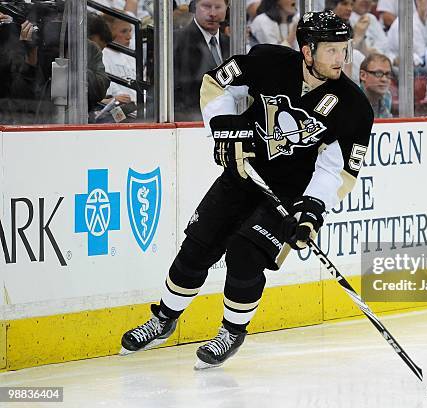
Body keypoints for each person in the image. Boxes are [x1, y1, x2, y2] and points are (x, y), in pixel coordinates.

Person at [120, 10, 374, 369]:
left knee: (245, 253)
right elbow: (216, 82)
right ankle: (163, 318)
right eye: (331, 50)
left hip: (287, 194)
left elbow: (337, 169)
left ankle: (231, 331)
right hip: (243, 173)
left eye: (343, 50)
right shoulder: (269, 61)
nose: (340, 59)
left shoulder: (353, 107)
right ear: (307, 50)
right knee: (198, 247)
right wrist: (225, 129)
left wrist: (312, 208)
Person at [174, 0, 230, 121]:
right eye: (206, 6)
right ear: (194, 7)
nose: (212, 13)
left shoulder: (232, 44)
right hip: (190, 125)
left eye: (218, 7)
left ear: (227, 8)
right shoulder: (175, 42)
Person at [359, 53, 393, 118]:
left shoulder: (387, 96)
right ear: (363, 75)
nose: (384, 79)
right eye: (378, 73)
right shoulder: (350, 100)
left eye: (388, 74)